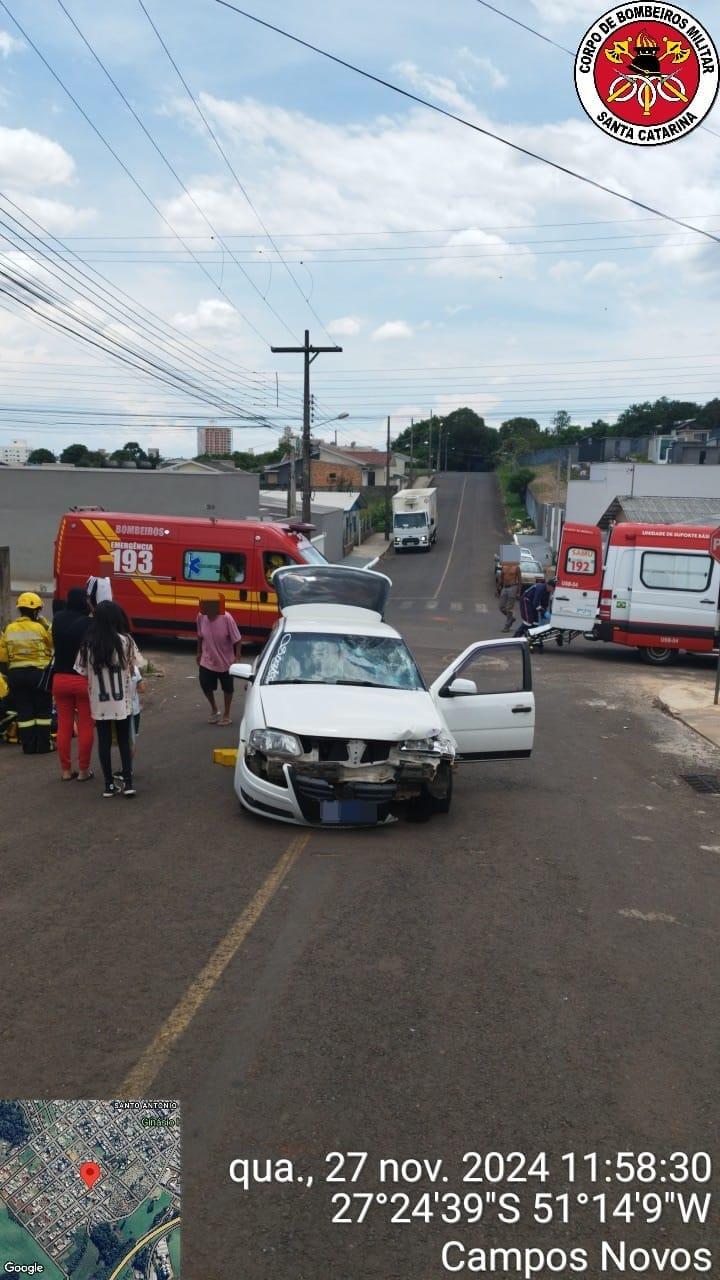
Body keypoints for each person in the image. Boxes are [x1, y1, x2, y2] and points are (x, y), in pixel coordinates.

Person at [75, 600, 145, 797]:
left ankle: (108, 785)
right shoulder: (126, 641)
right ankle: (128, 783)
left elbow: (82, 671)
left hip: (99, 700)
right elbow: (135, 666)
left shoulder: (88, 643)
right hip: (122, 699)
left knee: (104, 741)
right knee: (124, 740)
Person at [0, 592, 53, 754]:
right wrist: (45, 623)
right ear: (36, 611)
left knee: (24, 710)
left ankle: (28, 746)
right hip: (38, 674)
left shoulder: (9, 629)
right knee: (43, 709)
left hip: (16, 675)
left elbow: (2, 656)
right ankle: (44, 745)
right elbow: (51, 643)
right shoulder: (39, 628)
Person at [52, 587, 93, 781]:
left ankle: (66, 771)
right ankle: (83, 771)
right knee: (85, 725)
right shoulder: (89, 623)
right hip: (82, 680)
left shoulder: (58, 618)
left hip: (59, 679)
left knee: (64, 726)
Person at [196, 598, 242, 725]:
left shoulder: (227, 618)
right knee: (204, 683)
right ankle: (214, 709)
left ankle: (227, 714)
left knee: (227, 688)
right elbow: (200, 636)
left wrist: (237, 657)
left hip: (225, 661)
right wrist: (199, 652)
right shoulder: (201, 616)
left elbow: (237, 640)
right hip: (207, 659)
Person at [498, 561, 522, 632]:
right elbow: (501, 578)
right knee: (501, 607)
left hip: (513, 587)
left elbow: (520, 580)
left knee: (509, 608)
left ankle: (507, 626)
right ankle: (511, 618)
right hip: (505, 587)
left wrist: (519, 592)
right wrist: (498, 588)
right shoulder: (504, 567)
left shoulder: (517, 568)